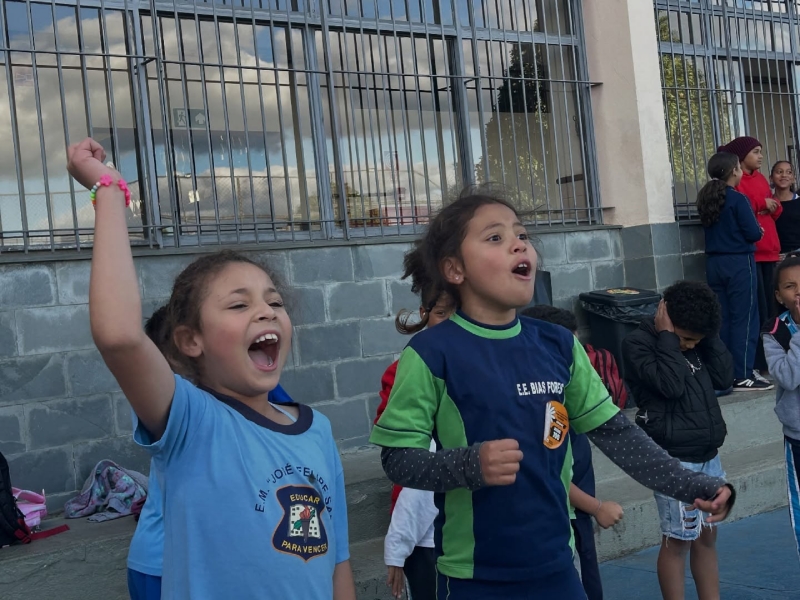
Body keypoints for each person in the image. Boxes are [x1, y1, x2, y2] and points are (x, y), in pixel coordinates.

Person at [369, 186, 736, 600]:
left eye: (522, 235)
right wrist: (468, 464)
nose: (518, 244)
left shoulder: (558, 344)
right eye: (495, 237)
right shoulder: (430, 353)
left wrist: (691, 484)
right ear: (455, 269)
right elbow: (397, 460)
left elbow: (618, 434)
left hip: (559, 567)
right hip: (476, 577)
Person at [66, 138, 356, 599]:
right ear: (191, 340)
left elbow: (337, 560)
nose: (266, 311)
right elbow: (119, 336)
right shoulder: (192, 422)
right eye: (239, 305)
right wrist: (108, 190)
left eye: (275, 302)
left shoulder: (317, 429)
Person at [127, 306, 294, 600]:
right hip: (163, 563)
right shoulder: (178, 407)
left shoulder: (248, 390)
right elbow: (120, 340)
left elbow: (289, 428)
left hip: (209, 560)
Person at [622, 281, 733, 600]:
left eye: (696, 340)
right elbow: (671, 386)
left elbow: (725, 377)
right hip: (673, 460)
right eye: (686, 338)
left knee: (707, 537)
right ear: (666, 318)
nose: (690, 345)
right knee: (678, 541)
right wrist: (669, 339)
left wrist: (710, 336)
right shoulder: (638, 343)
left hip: (708, 455)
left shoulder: (698, 339)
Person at [521, 305, 623, 600]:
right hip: (559, 520)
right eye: (569, 352)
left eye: (579, 349)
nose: (578, 361)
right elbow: (548, 472)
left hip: (578, 518)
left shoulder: (569, 400)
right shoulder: (543, 410)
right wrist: (595, 506)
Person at [379, 257, 455, 600]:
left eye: (458, 312)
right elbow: (401, 445)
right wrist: (398, 545)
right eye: (441, 313)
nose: (450, 322)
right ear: (424, 314)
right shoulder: (406, 369)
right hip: (421, 514)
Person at [696, 152, 772, 391]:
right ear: (734, 171)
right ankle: (743, 374)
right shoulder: (738, 199)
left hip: (714, 263)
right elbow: (753, 233)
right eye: (738, 167)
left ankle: (725, 373)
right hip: (739, 262)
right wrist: (759, 230)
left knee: (723, 319)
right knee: (745, 319)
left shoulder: (706, 197)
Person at [719, 136, 781, 381]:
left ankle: (771, 358)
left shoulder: (761, 178)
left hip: (770, 251)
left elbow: (774, 206)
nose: (760, 156)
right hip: (752, 254)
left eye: (760, 151)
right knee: (755, 312)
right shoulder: (736, 181)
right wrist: (760, 204)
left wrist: (772, 205)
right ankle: (754, 363)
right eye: (755, 151)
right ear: (741, 158)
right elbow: (742, 206)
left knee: (771, 309)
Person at [761, 253, 800, 561]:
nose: (799, 292)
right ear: (778, 296)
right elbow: (788, 377)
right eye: (790, 286)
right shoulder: (776, 332)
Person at [772, 161, 800, 256]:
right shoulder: (766, 204)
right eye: (779, 172)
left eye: (789, 172)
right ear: (771, 178)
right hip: (774, 256)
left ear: (793, 179)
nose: (784, 175)